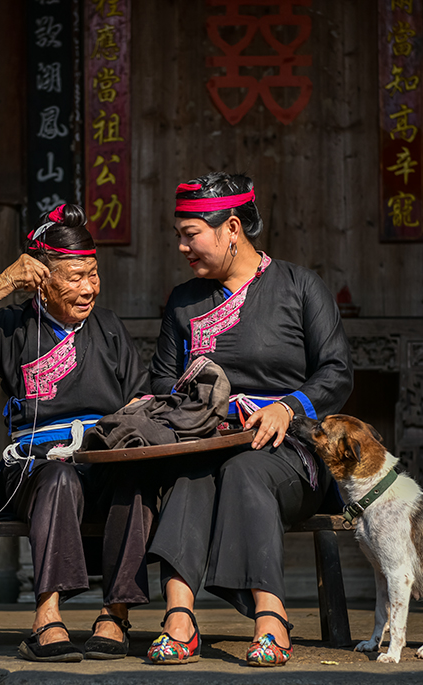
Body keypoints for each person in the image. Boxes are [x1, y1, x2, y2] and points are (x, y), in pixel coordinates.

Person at [0, 204, 154, 663]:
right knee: (58, 479)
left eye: (93, 274)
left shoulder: (108, 328)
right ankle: (47, 617)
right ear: (41, 279)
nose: (88, 287)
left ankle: (116, 614)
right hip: (36, 468)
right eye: (74, 277)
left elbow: (142, 397)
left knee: (136, 481)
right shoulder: (13, 327)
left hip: (103, 460)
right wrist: (2, 285)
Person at [146, 172, 353, 666]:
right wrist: (206, 404)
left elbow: (337, 371)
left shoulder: (300, 286)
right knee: (188, 474)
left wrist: (286, 407)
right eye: (179, 235)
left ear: (231, 227)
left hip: (292, 450)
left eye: (191, 234)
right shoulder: (183, 301)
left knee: (245, 470)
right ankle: (179, 619)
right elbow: (159, 384)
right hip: (207, 443)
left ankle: (271, 617)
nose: (181, 246)